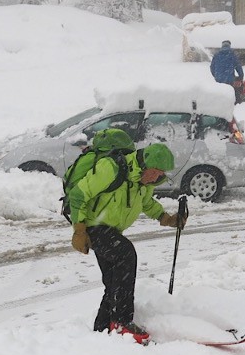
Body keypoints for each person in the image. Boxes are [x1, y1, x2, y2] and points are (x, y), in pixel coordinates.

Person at [67, 142, 185, 344]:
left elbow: (146, 203)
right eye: (156, 173)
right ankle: (121, 322)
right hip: (93, 226)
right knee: (125, 254)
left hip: (111, 230)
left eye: (161, 175)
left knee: (113, 281)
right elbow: (79, 194)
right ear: (145, 165)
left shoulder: (143, 181)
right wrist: (79, 230)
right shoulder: (111, 168)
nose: (157, 179)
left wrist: (165, 218)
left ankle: (102, 331)